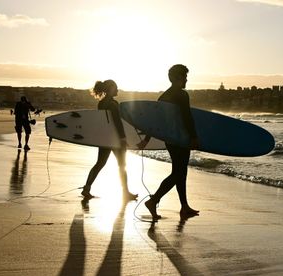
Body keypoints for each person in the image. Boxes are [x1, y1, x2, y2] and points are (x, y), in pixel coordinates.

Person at [138, 64, 199, 219]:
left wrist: (146, 139)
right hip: (181, 138)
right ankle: (154, 200)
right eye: (184, 76)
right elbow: (187, 117)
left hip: (171, 140)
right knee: (179, 173)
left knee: (180, 172)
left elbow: (155, 121)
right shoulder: (182, 95)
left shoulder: (163, 96)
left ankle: (184, 206)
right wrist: (193, 136)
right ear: (178, 78)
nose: (186, 79)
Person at [81, 80, 138, 201]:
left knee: (99, 164)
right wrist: (122, 138)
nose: (117, 90)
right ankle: (125, 192)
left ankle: (86, 188)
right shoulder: (113, 104)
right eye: (116, 88)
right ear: (111, 89)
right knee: (122, 165)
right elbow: (117, 122)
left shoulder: (101, 103)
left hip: (105, 138)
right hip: (115, 139)